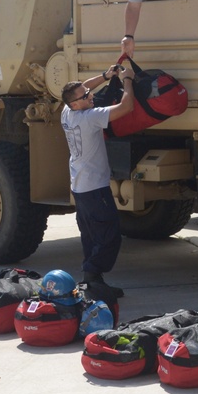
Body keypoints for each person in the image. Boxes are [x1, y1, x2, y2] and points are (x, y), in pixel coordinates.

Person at [60, 65, 135, 297]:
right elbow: (127, 107)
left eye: (88, 92)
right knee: (109, 234)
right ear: (75, 104)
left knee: (91, 235)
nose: (91, 96)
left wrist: (105, 76)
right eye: (85, 96)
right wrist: (127, 80)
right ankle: (93, 274)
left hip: (80, 187)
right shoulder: (89, 118)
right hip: (94, 188)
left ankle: (93, 282)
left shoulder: (67, 112)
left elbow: (82, 88)